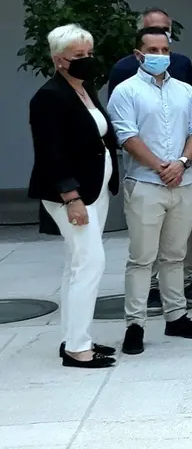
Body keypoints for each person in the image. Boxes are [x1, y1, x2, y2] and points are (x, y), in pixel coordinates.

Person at [107, 27, 192, 354]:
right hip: (145, 186)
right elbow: (127, 137)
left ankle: (176, 316)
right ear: (138, 55)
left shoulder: (184, 91)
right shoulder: (125, 91)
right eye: (152, 50)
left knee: (175, 255)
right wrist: (160, 167)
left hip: (183, 183)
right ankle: (135, 324)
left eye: (164, 50)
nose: (160, 56)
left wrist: (181, 162)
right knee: (141, 258)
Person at [28, 24, 119, 368]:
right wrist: (71, 197)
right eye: (78, 56)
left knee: (76, 265)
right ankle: (78, 348)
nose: (86, 60)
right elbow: (50, 152)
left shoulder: (84, 88)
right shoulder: (49, 96)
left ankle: (74, 337)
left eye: (89, 54)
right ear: (58, 59)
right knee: (90, 262)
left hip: (96, 190)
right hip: (73, 195)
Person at [108, 8, 192, 92]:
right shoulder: (122, 68)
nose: (161, 33)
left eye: (165, 29)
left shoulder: (182, 64)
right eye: (154, 29)